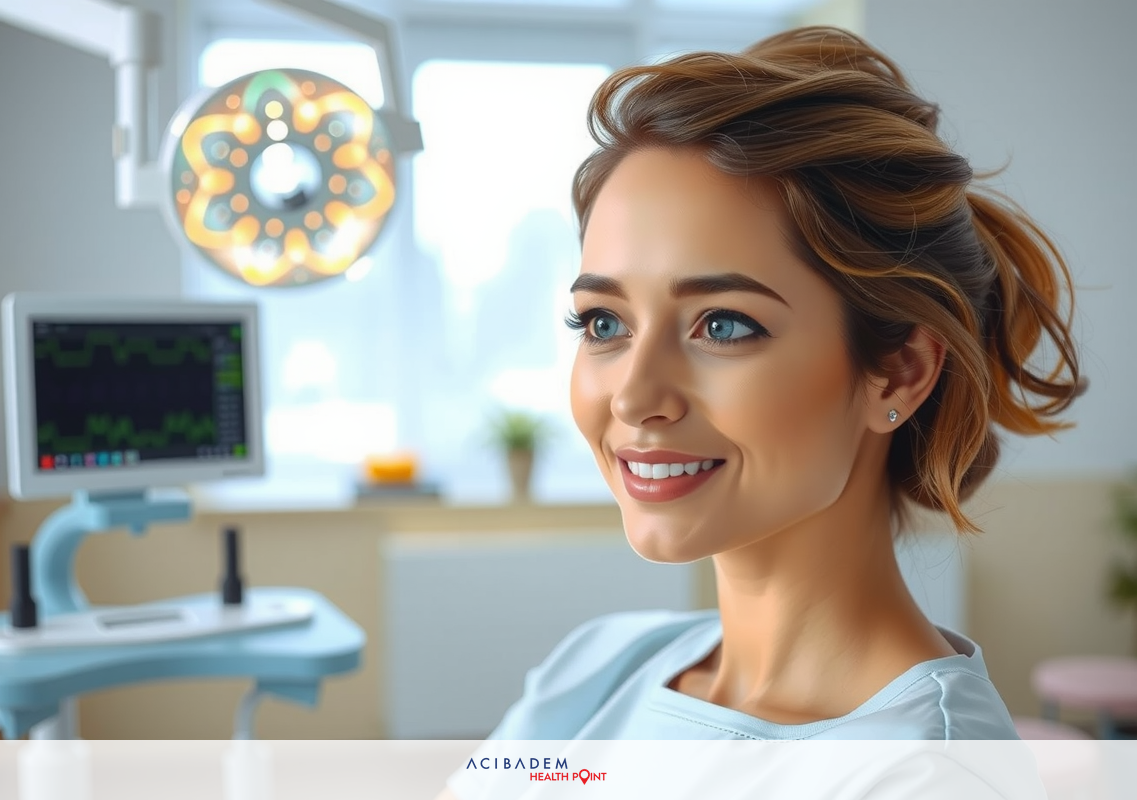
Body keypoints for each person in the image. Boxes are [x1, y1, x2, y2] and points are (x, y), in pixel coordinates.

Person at [441, 23, 1083, 799]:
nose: (635, 397)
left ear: (897, 373)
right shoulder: (598, 668)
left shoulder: (928, 774)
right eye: (603, 323)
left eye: (722, 325)